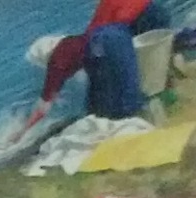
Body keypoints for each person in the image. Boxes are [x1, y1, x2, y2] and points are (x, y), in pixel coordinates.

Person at [21, 2, 171, 130]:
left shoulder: (56, 62)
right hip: (135, 23)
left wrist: (22, 132)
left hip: (104, 43)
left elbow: (44, 106)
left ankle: (136, 118)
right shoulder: (72, 41)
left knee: (103, 110)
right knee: (143, 76)